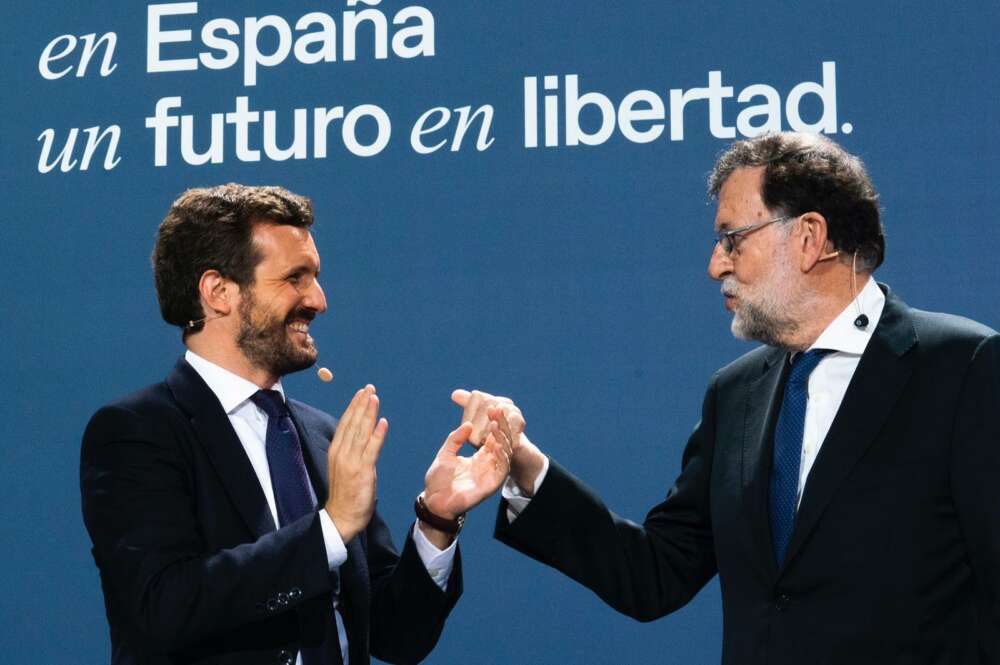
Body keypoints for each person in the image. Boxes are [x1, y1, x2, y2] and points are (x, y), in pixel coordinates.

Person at [455, 133, 1000, 664]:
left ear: (810, 238)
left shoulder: (963, 368)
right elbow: (655, 574)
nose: (716, 265)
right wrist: (526, 465)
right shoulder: (735, 394)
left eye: (733, 239)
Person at [81, 184, 511, 665]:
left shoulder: (320, 434)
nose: (319, 300)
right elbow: (162, 605)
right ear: (218, 292)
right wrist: (330, 528)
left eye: (316, 277)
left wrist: (436, 520)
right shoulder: (138, 432)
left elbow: (395, 635)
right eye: (295, 278)